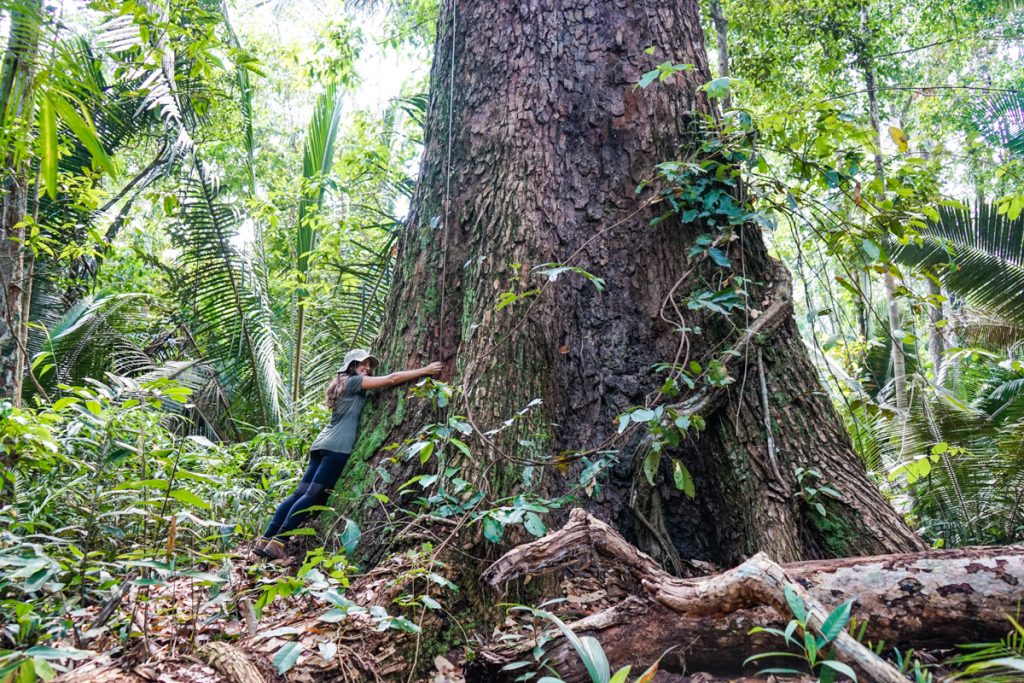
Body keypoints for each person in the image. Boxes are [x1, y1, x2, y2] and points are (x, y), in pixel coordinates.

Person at [254, 349, 442, 560]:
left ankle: (265, 540)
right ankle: (278, 542)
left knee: (299, 495)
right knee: (310, 496)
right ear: (351, 366)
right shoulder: (354, 382)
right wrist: (425, 370)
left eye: (369, 365)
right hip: (336, 448)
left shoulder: (341, 383)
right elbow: (392, 379)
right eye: (363, 364)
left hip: (321, 446)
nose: (367, 368)